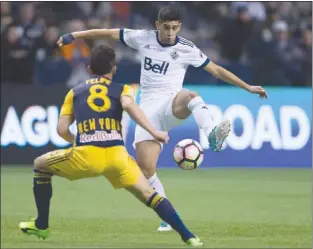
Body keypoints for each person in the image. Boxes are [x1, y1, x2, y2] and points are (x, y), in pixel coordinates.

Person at [57, 6, 268, 231]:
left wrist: (247, 87)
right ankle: (167, 218)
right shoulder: (142, 38)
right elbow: (108, 32)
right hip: (147, 115)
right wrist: (74, 36)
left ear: (180, 27)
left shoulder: (187, 48)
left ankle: (212, 136)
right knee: (146, 171)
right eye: (166, 27)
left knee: (190, 96)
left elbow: (216, 70)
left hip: (171, 104)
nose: (170, 33)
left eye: (174, 28)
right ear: (157, 25)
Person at [18, 44, 203, 247]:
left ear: (89, 69)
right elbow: (129, 106)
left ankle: (41, 225)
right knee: (150, 194)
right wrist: (155, 132)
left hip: (87, 156)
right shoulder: (122, 89)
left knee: (40, 164)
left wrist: (77, 141)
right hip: (117, 156)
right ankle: (188, 236)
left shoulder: (75, 92)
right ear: (113, 69)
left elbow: (61, 129)